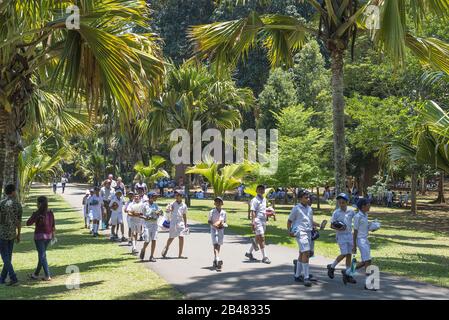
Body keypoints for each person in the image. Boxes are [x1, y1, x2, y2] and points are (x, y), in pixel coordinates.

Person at [287, 189, 320, 287]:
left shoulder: (310, 209)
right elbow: (289, 221)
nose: (308, 199)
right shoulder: (296, 208)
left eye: (308, 197)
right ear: (300, 198)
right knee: (306, 252)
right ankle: (306, 277)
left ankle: (297, 276)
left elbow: (310, 221)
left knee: (302, 253)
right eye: (306, 197)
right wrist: (290, 231)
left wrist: (318, 224)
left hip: (308, 232)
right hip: (300, 233)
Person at [327, 193, 357, 284]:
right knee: (344, 253)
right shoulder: (336, 212)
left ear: (347, 202)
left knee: (349, 254)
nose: (341, 204)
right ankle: (332, 267)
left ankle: (348, 274)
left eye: (343, 202)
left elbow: (355, 221)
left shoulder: (351, 211)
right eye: (339, 202)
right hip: (341, 235)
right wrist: (339, 228)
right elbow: (331, 225)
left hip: (349, 235)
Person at [26, 196, 55, 281]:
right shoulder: (50, 212)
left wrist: (33, 215)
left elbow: (28, 223)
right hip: (48, 236)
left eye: (37, 203)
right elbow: (53, 225)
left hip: (39, 237)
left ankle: (47, 275)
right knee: (42, 255)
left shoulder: (37, 213)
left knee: (42, 256)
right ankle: (36, 274)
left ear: (39, 204)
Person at [353, 198, 377, 291]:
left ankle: (348, 272)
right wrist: (354, 245)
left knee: (364, 261)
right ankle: (368, 284)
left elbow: (365, 228)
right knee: (368, 261)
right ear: (363, 206)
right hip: (360, 240)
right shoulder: (357, 216)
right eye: (368, 204)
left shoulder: (365, 215)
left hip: (365, 239)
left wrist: (373, 228)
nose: (369, 205)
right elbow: (355, 232)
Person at [0, 184, 22, 286]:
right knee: (8, 257)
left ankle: (13, 277)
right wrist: (18, 234)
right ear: (13, 192)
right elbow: (18, 222)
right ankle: (2, 278)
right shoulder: (18, 205)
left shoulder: (1, 204)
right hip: (12, 234)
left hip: (2, 234)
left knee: (5, 257)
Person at [245, 185, 271, 264]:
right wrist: (253, 222)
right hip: (257, 220)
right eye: (259, 189)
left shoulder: (264, 199)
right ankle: (264, 257)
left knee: (258, 238)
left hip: (263, 220)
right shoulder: (255, 200)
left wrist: (268, 213)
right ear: (256, 190)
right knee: (262, 238)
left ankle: (249, 253)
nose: (261, 190)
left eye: (262, 189)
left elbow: (263, 210)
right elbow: (253, 211)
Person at [161, 190, 188, 259]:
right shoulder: (172, 204)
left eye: (178, 195)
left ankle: (180, 254)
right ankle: (166, 247)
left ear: (181, 196)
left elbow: (184, 215)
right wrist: (169, 209)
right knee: (171, 238)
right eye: (176, 195)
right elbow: (167, 210)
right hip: (173, 222)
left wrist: (186, 224)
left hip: (180, 223)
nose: (176, 197)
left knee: (181, 237)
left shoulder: (184, 205)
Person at [139, 192, 163, 262]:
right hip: (147, 225)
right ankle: (143, 249)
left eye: (156, 197)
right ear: (150, 197)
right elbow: (140, 215)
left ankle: (151, 256)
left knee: (154, 240)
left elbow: (161, 213)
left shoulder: (156, 205)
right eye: (154, 196)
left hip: (154, 224)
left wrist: (159, 212)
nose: (156, 198)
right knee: (147, 240)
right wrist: (145, 217)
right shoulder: (144, 205)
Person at [208, 197, 227, 270]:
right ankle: (218, 259)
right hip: (213, 230)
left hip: (221, 230)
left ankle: (215, 260)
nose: (218, 203)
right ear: (214, 203)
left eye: (219, 202)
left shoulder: (224, 212)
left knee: (218, 245)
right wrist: (214, 224)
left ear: (222, 203)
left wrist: (222, 224)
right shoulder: (212, 211)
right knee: (215, 244)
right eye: (216, 202)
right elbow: (209, 221)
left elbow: (225, 222)